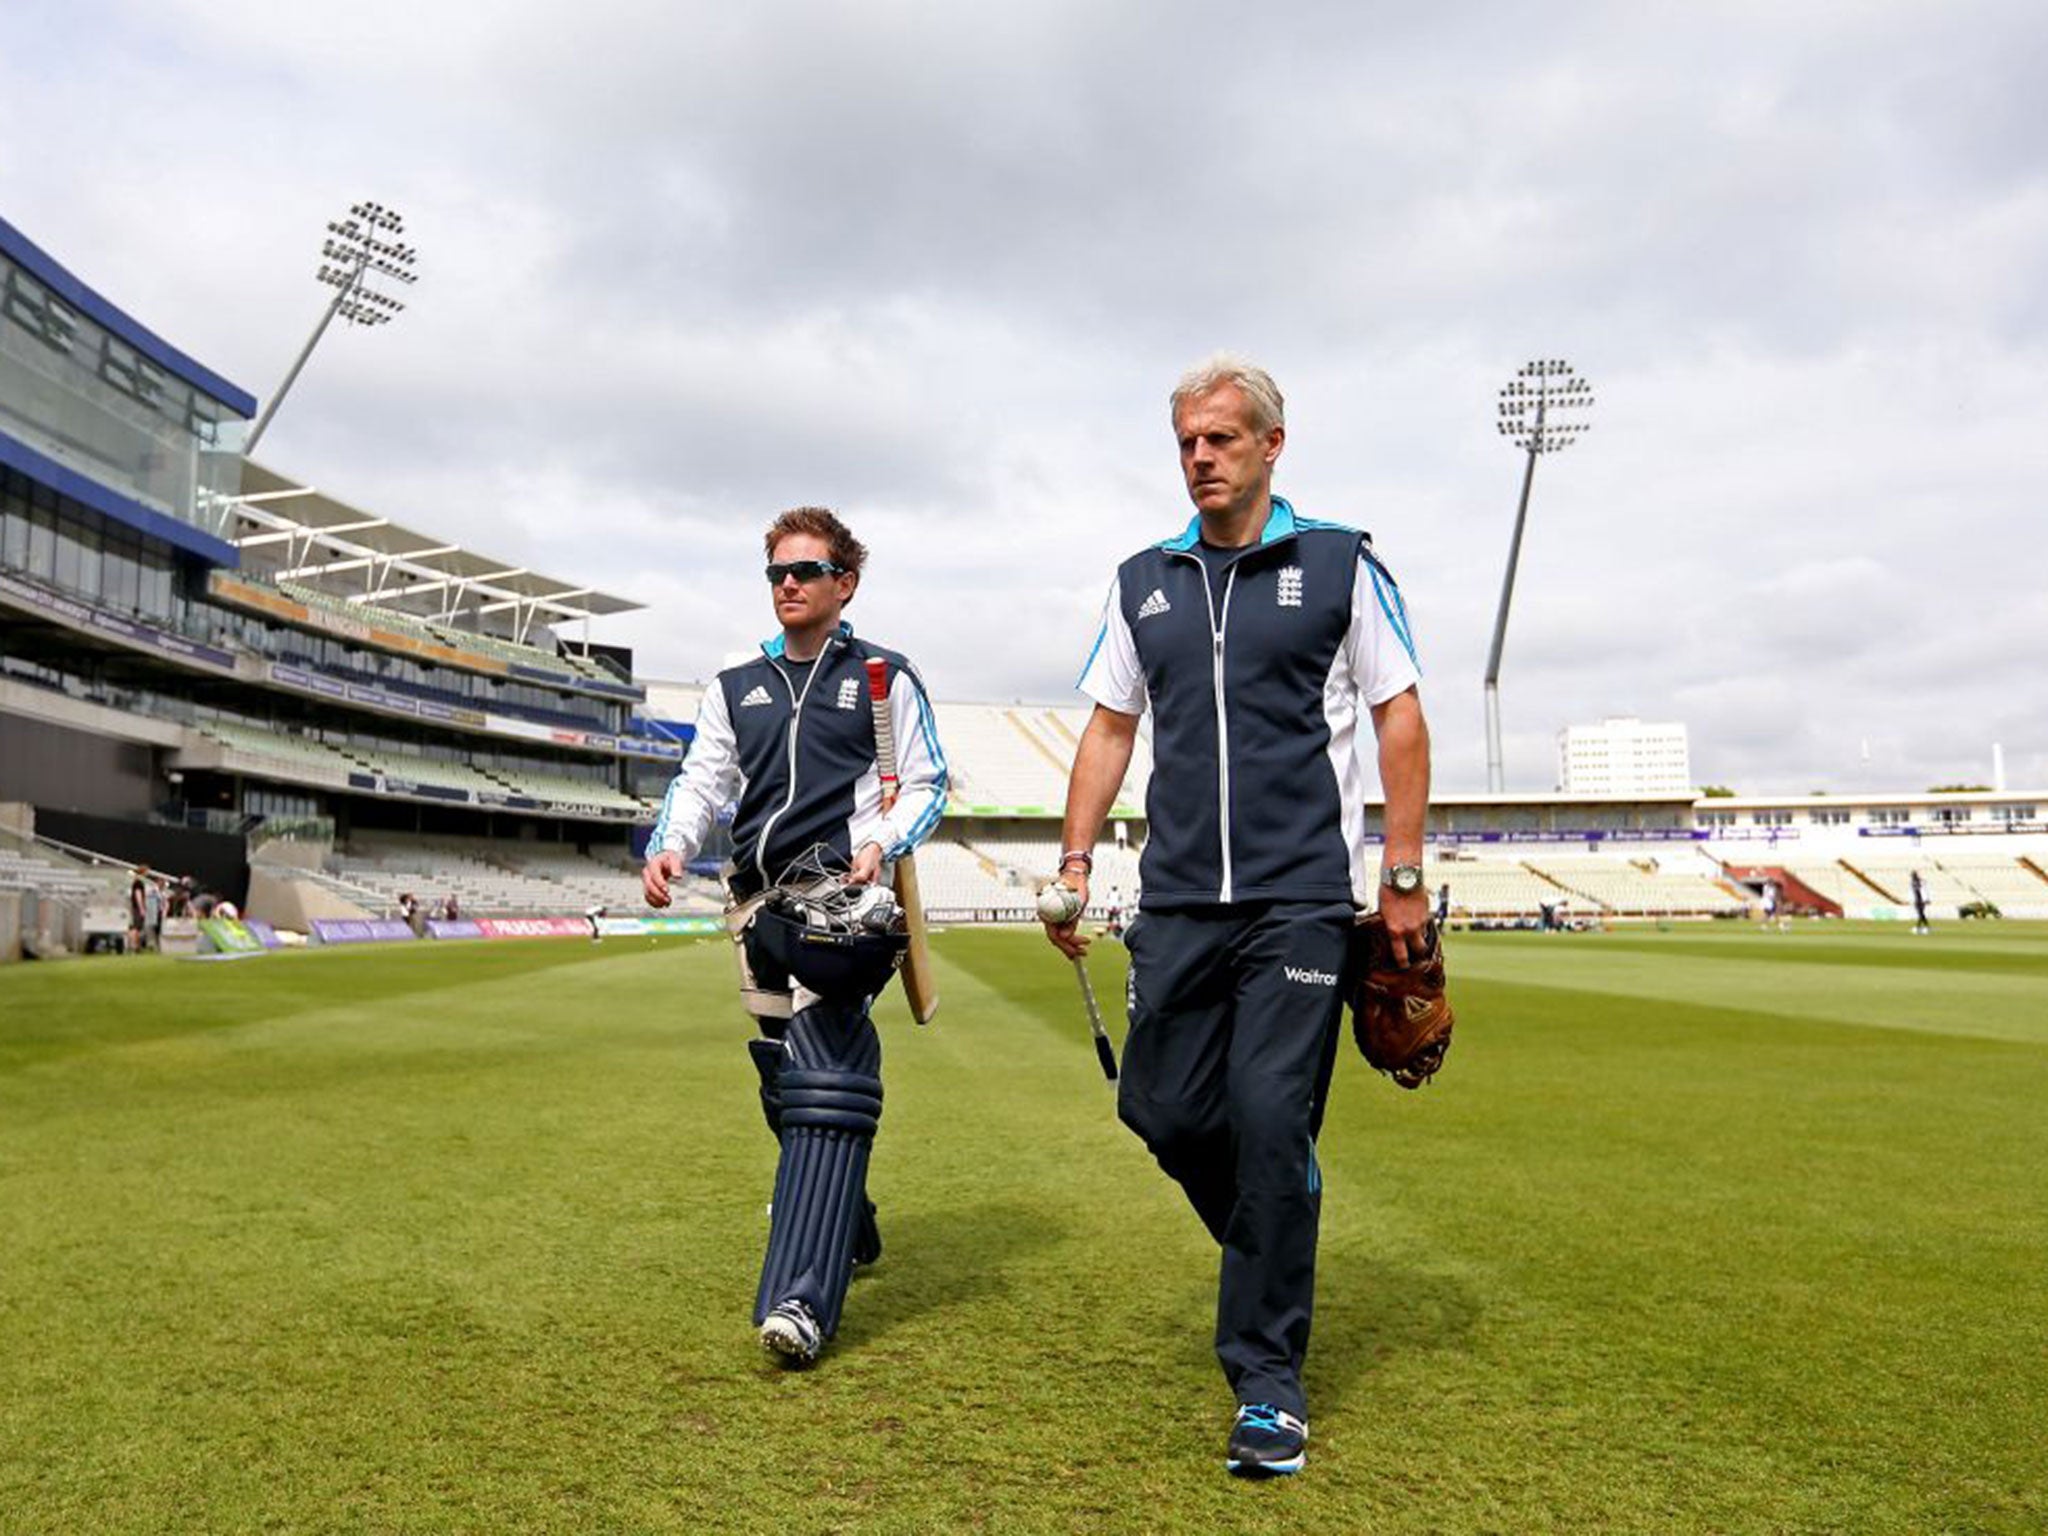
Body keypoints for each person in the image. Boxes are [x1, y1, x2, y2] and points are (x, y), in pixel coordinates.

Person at [1045, 354, 1432, 1478]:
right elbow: (1111, 728)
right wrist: (1074, 863)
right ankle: (1273, 1239)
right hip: (1172, 902)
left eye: (1219, 438)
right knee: (1159, 1111)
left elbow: (1399, 716)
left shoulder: (1339, 564)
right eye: (1185, 442)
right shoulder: (1142, 582)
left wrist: (1400, 872)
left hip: (1299, 901)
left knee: (1269, 1121)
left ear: (1271, 444)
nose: (1200, 458)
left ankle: (1265, 1381)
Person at [642, 506, 947, 1367]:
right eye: (776, 572)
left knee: (823, 1074)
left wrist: (881, 842)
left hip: (842, 910)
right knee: (787, 1075)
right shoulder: (734, 685)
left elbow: (926, 784)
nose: (788, 586)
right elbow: (700, 781)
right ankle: (850, 1222)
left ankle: (801, 1300)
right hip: (755, 908)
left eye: (806, 572)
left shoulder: (884, 678)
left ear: (843, 584)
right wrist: (669, 847)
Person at [1910, 870, 1930, 934]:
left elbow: (1924, 888)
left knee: (1920, 914)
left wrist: (1926, 899)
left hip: (1921, 900)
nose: (1912, 877)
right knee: (1921, 914)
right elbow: (1913, 892)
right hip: (1917, 900)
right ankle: (1926, 927)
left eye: (1913, 875)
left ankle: (1918, 927)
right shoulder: (1913, 882)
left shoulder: (1919, 882)